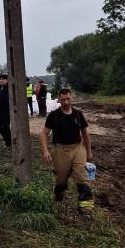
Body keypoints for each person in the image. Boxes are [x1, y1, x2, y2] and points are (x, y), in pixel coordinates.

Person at [40, 87, 94, 216]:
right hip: (60, 150)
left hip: (77, 148)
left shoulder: (78, 114)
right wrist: (45, 151)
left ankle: (85, 208)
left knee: (81, 177)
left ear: (72, 98)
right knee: (61, 180)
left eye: (68, 99)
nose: (65, 102)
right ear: (58, 100)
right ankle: (59, 196)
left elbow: (85, 134)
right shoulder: (54, 115)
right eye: (62, 99)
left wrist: (89, 152)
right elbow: (44, 134)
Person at [0, 74, 11, 147]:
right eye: (0, 79)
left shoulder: (9, 88)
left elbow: (7, 97)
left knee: (5, 127)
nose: (1, 80)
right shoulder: (0, 88)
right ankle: (8, 140)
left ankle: (9, 142)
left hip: (6, 111)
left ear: (7, 80)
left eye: (3, 79)